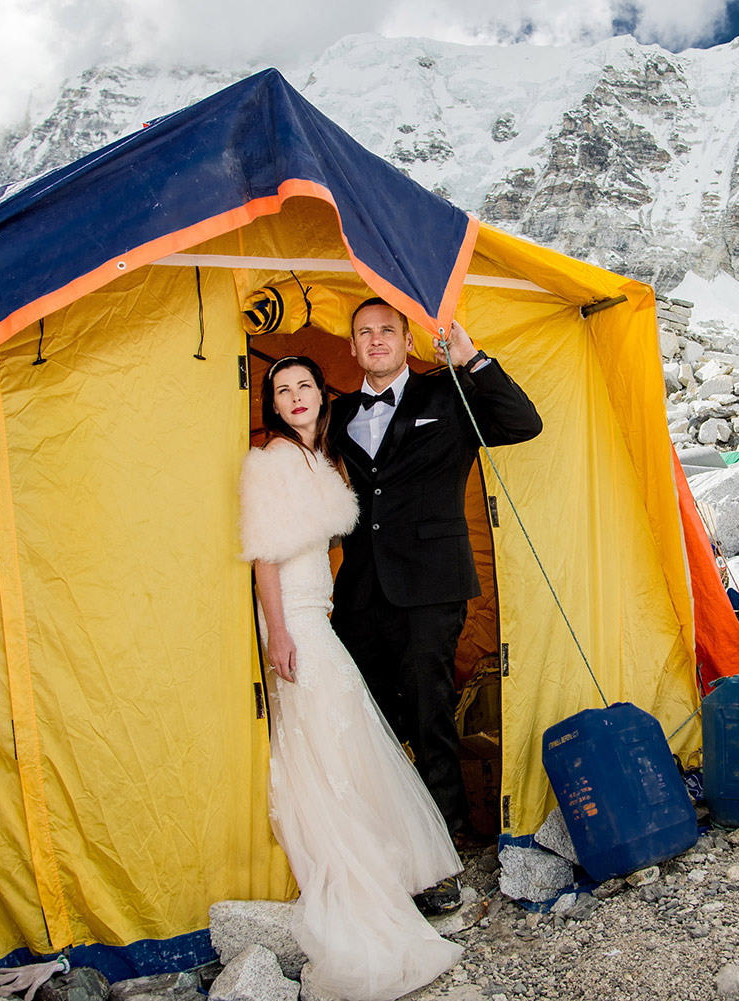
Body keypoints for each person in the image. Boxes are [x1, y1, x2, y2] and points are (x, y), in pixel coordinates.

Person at [238, 355, 463, 1001]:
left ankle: (383, 866)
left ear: (321, 395)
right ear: (274, 406)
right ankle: (359, 873)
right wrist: (279, 631)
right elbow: (262, 555)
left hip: (318, 610)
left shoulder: (318, 458)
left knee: (345, 730)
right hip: (294, 620)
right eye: (282, 390)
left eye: (304, 384)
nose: (295, 396)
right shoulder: (273, 461)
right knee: (332, 727)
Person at [328, 298, 543, 891]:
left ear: (406, 341)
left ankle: (445, 843)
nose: (375, 341)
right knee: (368, 718)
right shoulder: (338, 412)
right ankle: (386, 839)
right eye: (364, 333)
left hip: (431, 587)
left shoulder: (447, 394)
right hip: (361, 593)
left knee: (429, 714)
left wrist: (471, 359)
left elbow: (523, 424)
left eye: (386, 331)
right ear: (351, 347)